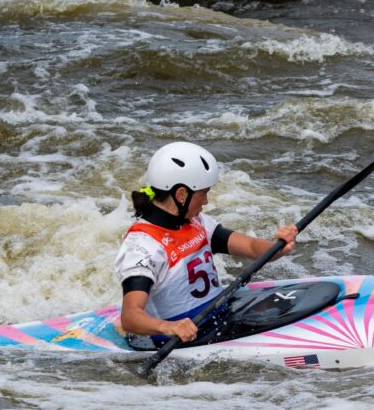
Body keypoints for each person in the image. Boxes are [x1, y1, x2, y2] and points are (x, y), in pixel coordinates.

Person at [115, 141, 297, 346]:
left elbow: (252, 247)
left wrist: (278, 246)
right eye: (203, 192)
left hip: (218, 314)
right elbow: (130, 317)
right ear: (181, 195)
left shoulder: (196, 222)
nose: (206, 201)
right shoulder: (143, 247)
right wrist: (170, 327)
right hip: (181, 338)